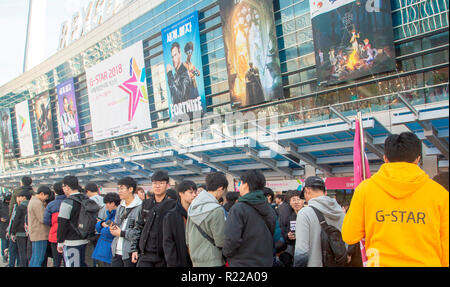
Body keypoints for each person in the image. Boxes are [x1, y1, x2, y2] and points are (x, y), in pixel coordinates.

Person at [342, 132, 449, 267]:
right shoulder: (439, 194)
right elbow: (446, 247)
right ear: (417, 159)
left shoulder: (365, 190)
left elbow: (349, 235)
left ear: (385, 158)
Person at [223, 170, 277, 267]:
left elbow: (231, 240)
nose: (239, 186)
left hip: (242, 263)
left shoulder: (238, 209)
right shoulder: (269, 208)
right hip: (265, 261)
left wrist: (226, 253)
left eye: (240, 183)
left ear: (246, 184)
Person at [293, 176, 346, 267]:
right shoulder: (340, 212)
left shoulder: (305, 213)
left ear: (307, 190)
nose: (305, 199)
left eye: (304, 194)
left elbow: (301, 252)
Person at [130, 170, 176, 267]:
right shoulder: (146, 203)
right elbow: (139, 226)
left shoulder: (172, 205)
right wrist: (134, 249)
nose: (157, 186)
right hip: (145, 254)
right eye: (155, 183)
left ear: (167, 185)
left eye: (161, 183)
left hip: (163, 256)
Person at [186, 172, 228, 267]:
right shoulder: (217, 210)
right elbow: (221, 241)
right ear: (220, 188)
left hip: (196, 260)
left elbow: (187, 238)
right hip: (213, 260)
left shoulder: (193, 206)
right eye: (223, 191)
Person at [162, 180, 197, 267]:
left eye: (195, 192)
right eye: (191, 192)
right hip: (180, 261)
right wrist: (173, 263)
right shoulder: (171, 216)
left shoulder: (197, 213)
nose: (194, 195)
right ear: (181, 193)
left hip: (197, 260)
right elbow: (168, 242)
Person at [57, 176, 90, 267]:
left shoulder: (67, 202)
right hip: (86, 239)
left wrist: (60, 241)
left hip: (71, 242)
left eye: (63, 186)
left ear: (67, 187)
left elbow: (62, 223)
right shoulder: (86, 199)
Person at [110, 177, 142, 267]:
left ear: (130, 189)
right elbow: (117, 224)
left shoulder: (140, 207)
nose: (119, 191)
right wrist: (113, 229)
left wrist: (121, 233)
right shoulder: (120, 206)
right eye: (118, 188)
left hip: (130, 252)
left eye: (122, 188)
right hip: (116, 250)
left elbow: (140, 232)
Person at [92, 192, 121, 267]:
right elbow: (98, 227)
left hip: (109, 249)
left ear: (113, 203)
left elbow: (109, 231)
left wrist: (103, 225)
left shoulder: (117, 215)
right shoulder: (109, 215)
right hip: (104, 249)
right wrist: (102, 224)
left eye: (107, 203)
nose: (106, 206)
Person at [28, 185, 51, 267]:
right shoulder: (37, 203)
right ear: (42, 193)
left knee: (34, 257)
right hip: (40, 234)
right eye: (46, 196)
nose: (46, 198)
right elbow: (43, 219)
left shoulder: (32, 201)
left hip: (35, 234)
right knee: (39, 258)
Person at [43, 182, 66, 267]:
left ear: (55, 192)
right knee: (68, 261)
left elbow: (46, 221)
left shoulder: (51, 205)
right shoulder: (70, 202)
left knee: (56, 261)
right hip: (68, 237)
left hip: (54, 237)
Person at [280, 190, 304, 267]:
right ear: (290, 203)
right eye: (293, 200)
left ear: (303, 201)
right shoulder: (290, 217)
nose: (296, 202)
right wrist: (288, 235)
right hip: (295, 250)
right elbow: (285, 233)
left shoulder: (308, 215)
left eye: (298, 199)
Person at [84, 182, 104, 267]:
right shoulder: (104, 200)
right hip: (102, 232)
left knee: (90, 259)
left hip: (91, 234)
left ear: (87, 191)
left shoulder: (88, 202)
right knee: (102, 259)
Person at [11, 189, 32, 267]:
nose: (19, 198)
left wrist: (13, 233)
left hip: (20, 233)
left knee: (22, 253)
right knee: (28, 252)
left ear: (24, 197)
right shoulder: (31, 205)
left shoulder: (21, 207)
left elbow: (16, 220)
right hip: (29, 233)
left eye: (20, 196)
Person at [0, 192, 10, 263]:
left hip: (10, 226)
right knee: (4, 242)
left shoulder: (12, 204)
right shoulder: (1, 204)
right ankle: (4, 256)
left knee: (10, 243)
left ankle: (9, 255)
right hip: (3, 226)